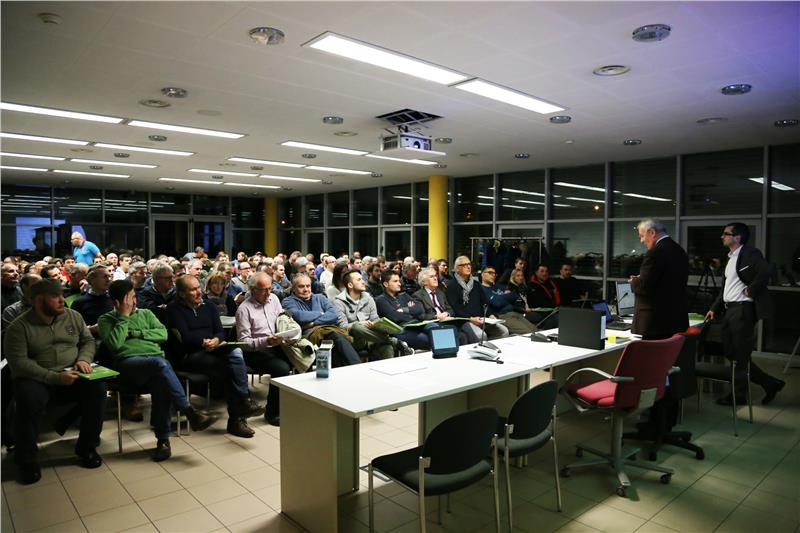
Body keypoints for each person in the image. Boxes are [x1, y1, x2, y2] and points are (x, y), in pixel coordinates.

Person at [98, 279, 217, 460]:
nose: (134, 301)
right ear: (117, 302)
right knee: (160, 365)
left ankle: (163, 441)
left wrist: (136, 333)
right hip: (128, 365)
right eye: (129, 298)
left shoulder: (146, 314)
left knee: (161, 382)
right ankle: (188, 411)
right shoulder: (106, 320)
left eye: (134, 297)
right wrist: (123, 317)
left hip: (155, 365)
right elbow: (115, 344)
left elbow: (163, 334)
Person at [4, 279, 106, 484]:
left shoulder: (73, 316)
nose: (62, 300)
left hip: (72, 371)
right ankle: (26, 459)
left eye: (61, 295)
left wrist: (83, 359)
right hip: (37, 377)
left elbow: (87, 340)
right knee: (28, 398)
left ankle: (87, 446)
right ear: (38, 301)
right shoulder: (19, 327)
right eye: (55, 297)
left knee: (98, 388)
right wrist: (55, 377)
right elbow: (19, 363)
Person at [167, 276, 263, 438]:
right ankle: (239, 413)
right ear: (182, 294)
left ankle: (242, 404)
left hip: (213, 349)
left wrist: (217, 340)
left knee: (236, 353)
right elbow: (184, 336)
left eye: (198, 288)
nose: (198, 292)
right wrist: (204, 342)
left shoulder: (209, 306)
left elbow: (219, 331)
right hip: (189, 355)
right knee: (230, 369)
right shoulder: (174, 308)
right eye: (193, 290)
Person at [705, 222, 785, 405]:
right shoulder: (731, 258)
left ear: (737, 237)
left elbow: (766, 270)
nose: (722, 236)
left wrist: (752, 289)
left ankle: (738, 396)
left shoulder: (750, 253)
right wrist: (714, 308)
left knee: (740, 355)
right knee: (730, 351)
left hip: (743, 309)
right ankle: (770, 383)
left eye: (726, 233)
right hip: (730, 309)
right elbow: (726, 288)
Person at [235, 273, 292, 426]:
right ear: (253, 290)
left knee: (303, 359)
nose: (268, 293)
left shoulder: (274, 299)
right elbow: (243, 343)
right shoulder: (244, 309)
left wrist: (289, 334)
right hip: (256, 351)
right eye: (264, 290)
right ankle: (272, 412)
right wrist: (266, 341)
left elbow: (282, 321)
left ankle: (293, 406)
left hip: (277, 344)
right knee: (281, 368)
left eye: (270, 288)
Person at [628, 219, 689, 340]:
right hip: (675, 319)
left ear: (652, 232)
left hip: (655, 323)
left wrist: (635, 281)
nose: (641, 241)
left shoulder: (654, 253)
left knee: (651, 353)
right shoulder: (679, 250)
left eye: (642, 236)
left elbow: (645, 287)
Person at [282, 274, 362, 366]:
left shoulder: (320, 297)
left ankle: (348, 369)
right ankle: (357, 366)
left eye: (308, 286)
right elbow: (299, 316)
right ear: (293, 288)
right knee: (336, 337)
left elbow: (333, 314)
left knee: (335, 346)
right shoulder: (288, 301)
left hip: (327, 331)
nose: (306, 289)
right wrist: (320, 313)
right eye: (301, 286)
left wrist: (313, 323)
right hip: (307, 336)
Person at [445, 256, 509, 341]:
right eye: (464, 265)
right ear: (457, 269)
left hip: (481, 319)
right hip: (464, 320)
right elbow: (455, 308)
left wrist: (490, 314)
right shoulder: (452, 286)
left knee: (503, 331)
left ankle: (492, 347)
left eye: (469, 264)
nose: (468, 266)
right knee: (480, 335)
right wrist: (470, 318)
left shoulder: (476, 284)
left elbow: (484, 303)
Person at [334, 270, 395, 360]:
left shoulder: (369, 298)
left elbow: (375, 318)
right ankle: (394, 342)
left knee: (387, 347)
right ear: (350, 285)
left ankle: (388, 365)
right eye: (359, 280)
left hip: (371, 338)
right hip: (353, 340)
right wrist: (359, 324)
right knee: (356, 327)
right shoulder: (339, 302)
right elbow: (342, 327)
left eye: (362, 279)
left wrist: (379, 325)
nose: (363, 282)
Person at [412, 267, 479, 344]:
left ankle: (477, 346)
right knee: (457, 335)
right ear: (424, 282)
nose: (435, 278)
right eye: (431, 277)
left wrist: (447, 313)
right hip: (433, 322)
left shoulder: (440, 293)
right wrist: (437, 316)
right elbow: (421, 315)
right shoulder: (418, 296)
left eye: (435, 276)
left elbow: (451, 309)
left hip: (446, 320)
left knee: (464, 324)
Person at [375, 271, 428, 351]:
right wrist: (412, 312)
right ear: (386, 284)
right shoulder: (380, 300)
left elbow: (420, 308)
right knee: (427, 339)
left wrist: (405, 309)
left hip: (416, 325)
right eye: (395, 281)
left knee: (434, 328)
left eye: (399, 281)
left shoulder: (404, 295)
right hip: (401, 330)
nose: (399, 284)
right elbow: (395, 317)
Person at [479, 266, 537, 335]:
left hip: (514, 313)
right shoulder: (481, 289)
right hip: (502, 316)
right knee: (529, 333)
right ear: (482, 274)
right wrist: (506, 297)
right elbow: (497, 303)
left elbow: (514, 295)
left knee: (536, 330)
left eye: (494, 273)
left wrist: (500, 297)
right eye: (490, 273)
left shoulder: (499, 286)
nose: (493, 275)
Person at [72, 265, 113, 336]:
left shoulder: (115, 298)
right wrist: (91, 329)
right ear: (92, 279)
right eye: (104, 277)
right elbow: (72, 330)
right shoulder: (79, 303)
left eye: (109, 276)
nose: (108, 280)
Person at [2, 273, 41, 338]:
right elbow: (14, 336)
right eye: (37, 284)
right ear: (24, 286)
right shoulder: (12, 311)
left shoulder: (49, 305)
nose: (41, 287)